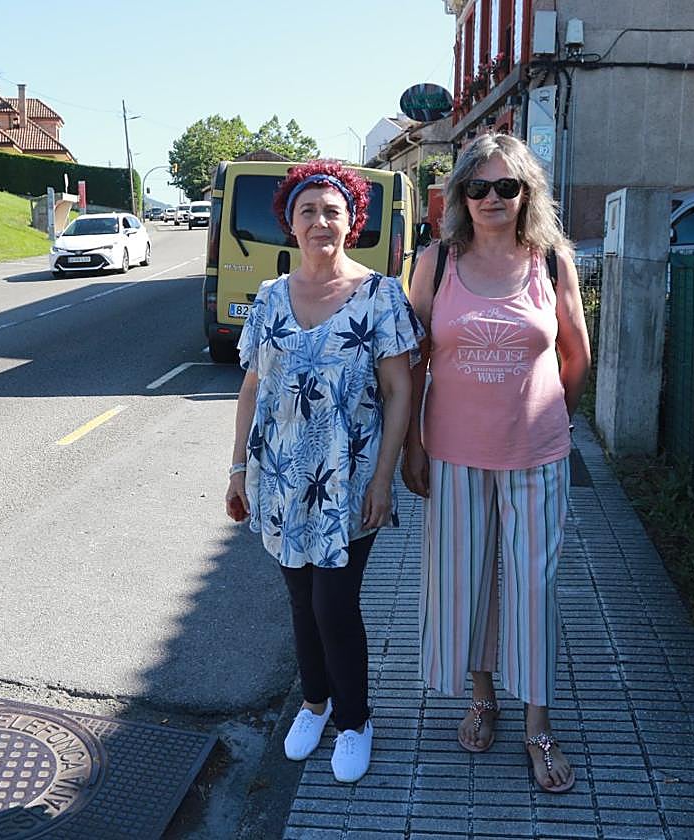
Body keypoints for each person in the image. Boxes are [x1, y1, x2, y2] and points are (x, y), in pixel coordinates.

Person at [401, 133, 591, 793]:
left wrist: (549, 419)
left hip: (536, 454)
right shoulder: (436, 263)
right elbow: (412, 359)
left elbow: (575, 354)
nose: (491, 198)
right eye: (477, 187)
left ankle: (538, 723)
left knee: (534, 588)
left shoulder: (552, 262)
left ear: (526, 193)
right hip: (453, 453)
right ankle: (483, 698)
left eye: (505, 186)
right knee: (466, 583)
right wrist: (410, 445)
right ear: (458, 196)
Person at [226, 160, 423, 784]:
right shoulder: (269, 299)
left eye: (331, 211)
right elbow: (251, 387)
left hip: (349, 480)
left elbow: (399, 392)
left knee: (334, 604)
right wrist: (237, 470)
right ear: (289, 222)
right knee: (298, 599)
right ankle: (315, 702)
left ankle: (356, 720)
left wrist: (383, 478)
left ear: (352, 222)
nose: (319, 222)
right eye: (307, 211)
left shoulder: (380, 296)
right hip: (282, 477)